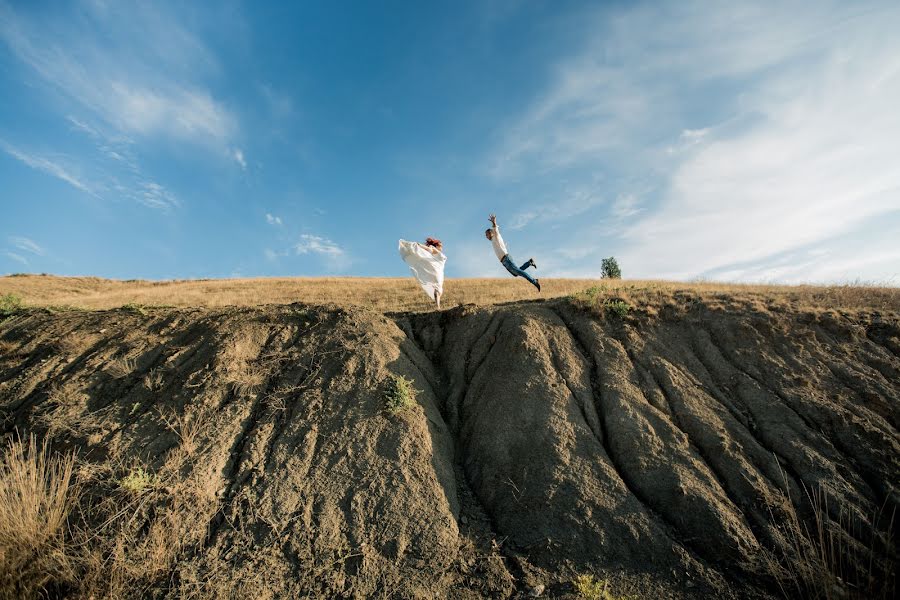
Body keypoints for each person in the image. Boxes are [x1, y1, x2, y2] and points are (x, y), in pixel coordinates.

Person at [485, 213, 540, 291]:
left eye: (487, 234)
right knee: (515, 274)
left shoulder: (496, 236)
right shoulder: (494, 241)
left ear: (491, 233)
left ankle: (534, 281)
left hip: (506, 259)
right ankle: (529, 263)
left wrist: (494, 222)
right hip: (504, 261)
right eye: (485, 235)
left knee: (519, 272)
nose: (486, 236)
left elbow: (495, 229)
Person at [398, 237, 446, 309]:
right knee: (438, 288)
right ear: (436, 245)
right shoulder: (433, 248)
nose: (442, 247)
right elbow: (428, 249)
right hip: (436, 270)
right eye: (440, 245)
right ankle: (438, 306)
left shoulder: (435, 252)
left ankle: (438, 305)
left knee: (438, 288)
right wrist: (418, 245)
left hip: (439, 270)